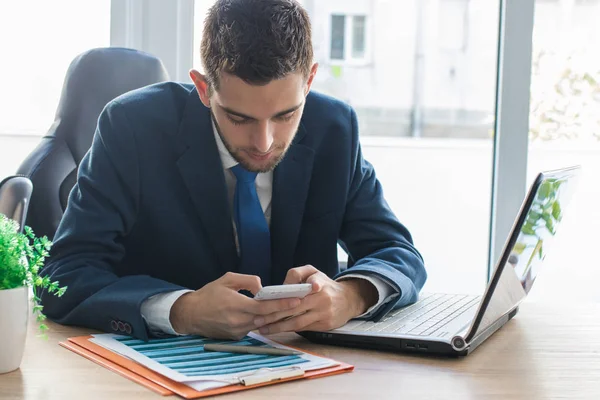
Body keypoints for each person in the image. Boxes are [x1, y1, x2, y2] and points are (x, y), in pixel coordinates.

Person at [39, 0, 427, 341]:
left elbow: (397, 252)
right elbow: (63, 275)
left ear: (308, 81)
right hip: (166, 374)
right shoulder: (132, 127)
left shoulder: (334, 128)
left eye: (286, 114)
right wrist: (181, 310)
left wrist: (351, 295)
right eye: (239, 117)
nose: (264, 142)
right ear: (204, 89)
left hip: (304, 372)